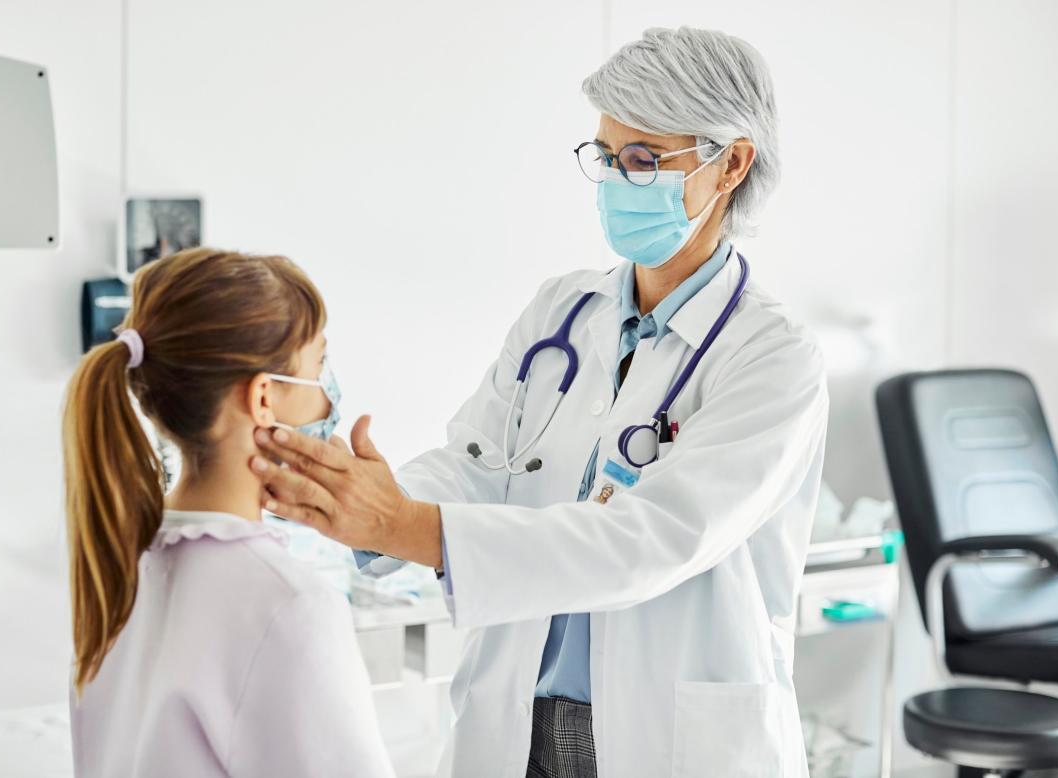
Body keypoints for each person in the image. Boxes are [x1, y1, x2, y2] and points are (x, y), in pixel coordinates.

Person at [248, 26, 829, 778]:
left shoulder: (772, 354)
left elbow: (652, 540)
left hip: (667, 736)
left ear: (732, 165)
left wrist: (405, 524)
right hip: (516, 714)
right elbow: (477, 463)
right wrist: (369, 508)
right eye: (607, 157)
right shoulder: (562, 313)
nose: (620, 180)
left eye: (645, 160)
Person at [61, 248, 393, 777]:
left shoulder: (117, 569)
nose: (329, 396)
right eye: (320, 364)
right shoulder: (290, 605)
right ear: (264, 398)